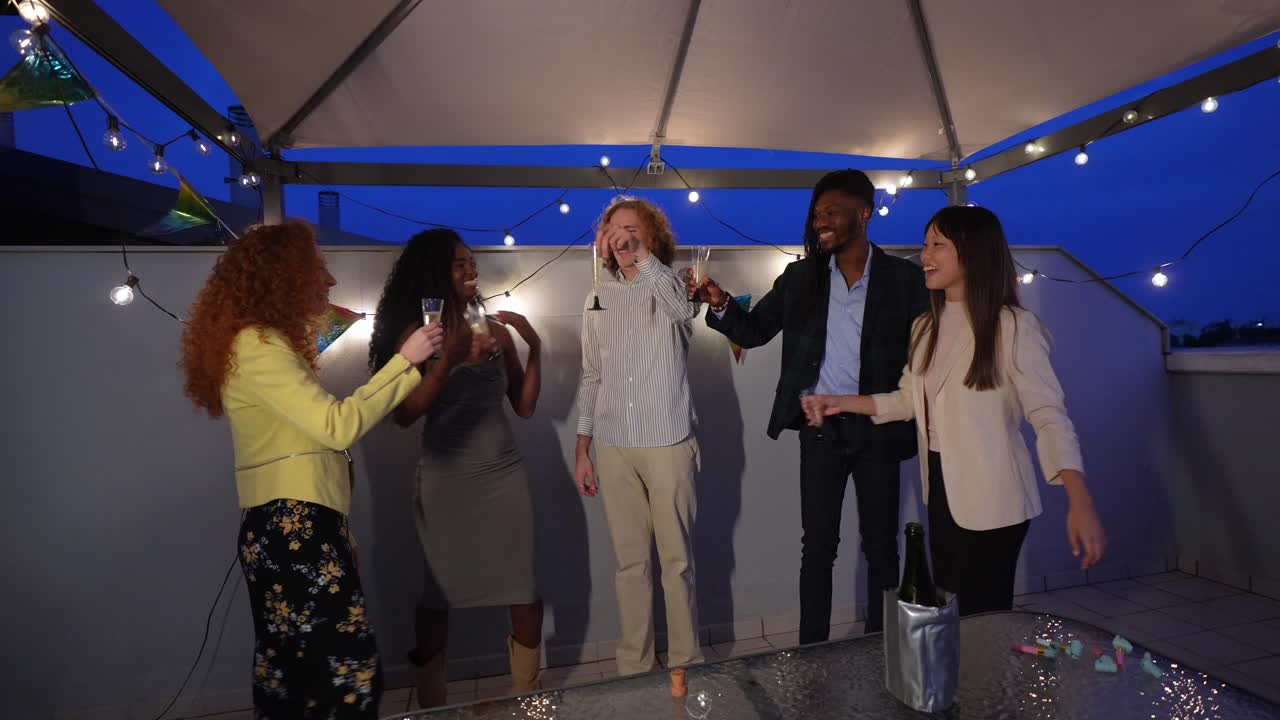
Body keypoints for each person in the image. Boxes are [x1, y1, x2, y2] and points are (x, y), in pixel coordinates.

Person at [178, 221, 442, 719]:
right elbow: (335, 428)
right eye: (317, 269)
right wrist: (406, 362)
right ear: (284, 276)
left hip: (297, 526)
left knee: (295, 674)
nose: (329, 282)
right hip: (293, 528)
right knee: (344, 674)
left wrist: (339, 536)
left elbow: (303, 447)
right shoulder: (258, 345)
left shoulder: (258, 343)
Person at [800, 205, 1107, 615]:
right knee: (952, 616)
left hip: (995, 497)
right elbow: (907, 400)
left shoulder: (1013, 326)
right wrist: (838, 401)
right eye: (926, 244)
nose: (925, 255)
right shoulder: (925, 327)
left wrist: (1079, 500)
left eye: (937, 245)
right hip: (941, 489)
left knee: (983, 620)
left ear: (973, 252)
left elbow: (1049, 415)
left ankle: (985, 681)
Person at [691, 169, 929, 640]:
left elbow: (926, 358)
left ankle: (883, 649)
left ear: (864, 213)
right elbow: (753, 332)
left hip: (878, 427)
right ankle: (812, 652)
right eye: (816, 213)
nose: (820, 221)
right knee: (818, 547)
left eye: (832, 212)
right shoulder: (801, 278)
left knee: (882, 547)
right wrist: (719, 304)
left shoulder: (906, 279)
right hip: (819, 430)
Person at [368, 229, 544, 707]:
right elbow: (404, 415)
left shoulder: (493, 328)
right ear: (434, 273)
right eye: (459, 265)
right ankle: (432, 705)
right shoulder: (419, 336)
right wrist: (447, 362)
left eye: (472, 263)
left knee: (523, 587)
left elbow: (523, 408)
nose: (471, 272)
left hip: (505, 476)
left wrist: (535, 349)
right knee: (437, 596)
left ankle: (529, 702)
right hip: (446, 481)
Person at [574, 198, 704, 679]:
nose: (622, 238)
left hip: (667, 438)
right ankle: (634, 667)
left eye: (632, 230)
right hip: (613, 442)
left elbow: (681, 313)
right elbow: (592, 374)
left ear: (652, 237)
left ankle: (688, 663)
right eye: (614, 230)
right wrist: (583, 445)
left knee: (677, 563)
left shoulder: (673, 282)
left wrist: (642, 259)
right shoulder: (596, 293)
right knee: (630, 565)